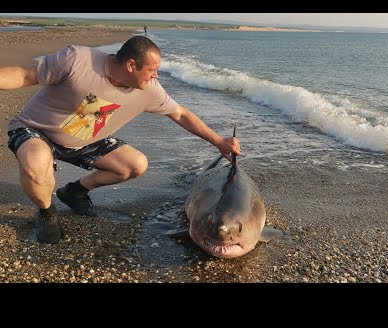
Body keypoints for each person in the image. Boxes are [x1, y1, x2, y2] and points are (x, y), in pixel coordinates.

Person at [0, 36, 240, 244]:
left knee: (135, 165)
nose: (156, 75)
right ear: (131, 65)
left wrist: (218, 141)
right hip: (36, 130)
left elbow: (181, 114)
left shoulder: (149, 90)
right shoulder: (77, 60)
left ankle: (74, 191)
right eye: (151, 69)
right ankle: (47, 211)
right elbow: (24, 75)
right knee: (36, 162)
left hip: (83, 141)